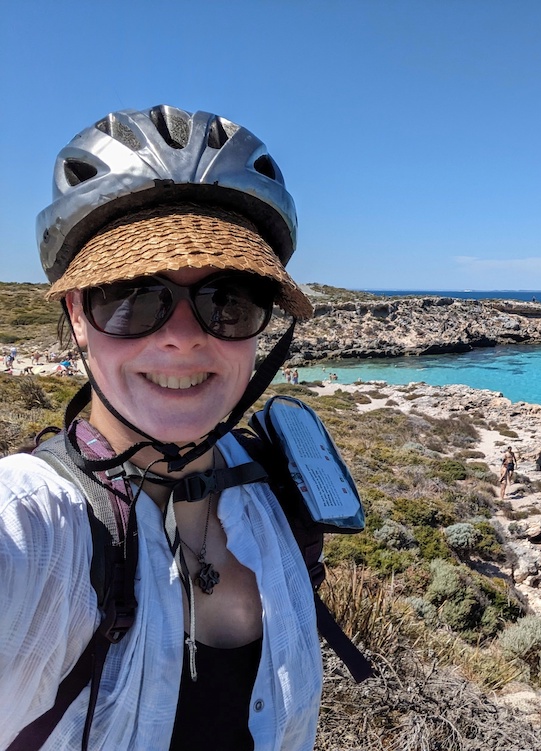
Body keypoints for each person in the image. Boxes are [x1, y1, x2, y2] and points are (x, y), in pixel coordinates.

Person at [1, 105, 322, 749]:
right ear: (78, 314)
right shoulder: (34, 522)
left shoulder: (280, 493)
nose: (182, 339)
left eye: (228, 298)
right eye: (131, 296)